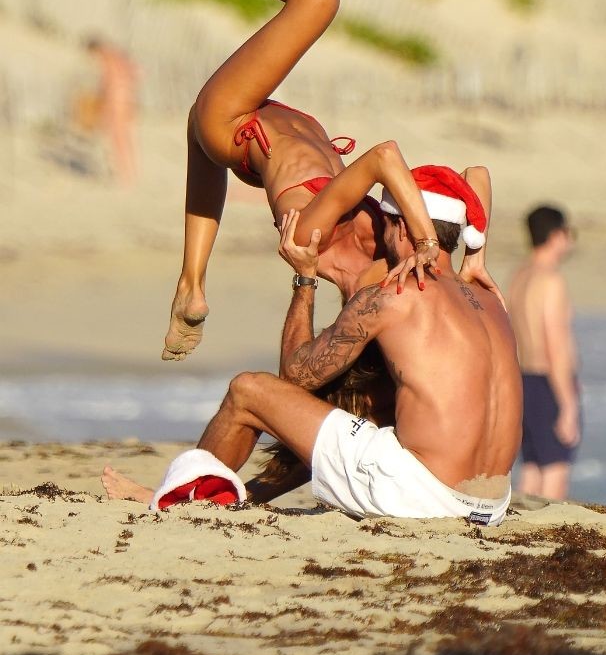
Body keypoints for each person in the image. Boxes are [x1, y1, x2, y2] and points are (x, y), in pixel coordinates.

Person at [103, 166, 522, 524]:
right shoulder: (489, 299)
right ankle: (235, 499)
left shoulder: (394, 294)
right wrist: (476, 255)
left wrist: (304, 278)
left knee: (249, 391)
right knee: (362, 415)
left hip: (418, 496)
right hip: (490, 504)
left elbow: (297, 377)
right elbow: (477, 174)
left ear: (400, 227)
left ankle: (179, 501)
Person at [163, 0, 443, 362]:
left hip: (232, 119)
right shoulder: (374, 237)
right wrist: (473, 258)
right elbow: (473, 180)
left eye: (398, 281)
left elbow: (384, 156)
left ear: (364, 293)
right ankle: (190, 286)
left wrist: (425, 241)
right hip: (247, 131)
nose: (405, 273)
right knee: (198, 134)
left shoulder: (312, 235)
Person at [509, 205, 580, 501]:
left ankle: (521, 526)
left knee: (532, 469)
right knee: (555, 474)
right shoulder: (551, 280)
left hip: (522, 381)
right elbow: (555, 345)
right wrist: (568, 405)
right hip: (548, 383)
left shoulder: (520, 276)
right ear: (556, 235)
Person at [83, 37, 139, 185]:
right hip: (127, 100)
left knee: (117, 138)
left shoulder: (106, 58)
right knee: (127, 137)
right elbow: (136, 73)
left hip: (115, 103)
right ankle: (130, 172)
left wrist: (100, 99)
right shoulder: (117, 55)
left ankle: (123, 175)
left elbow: (107, 83)